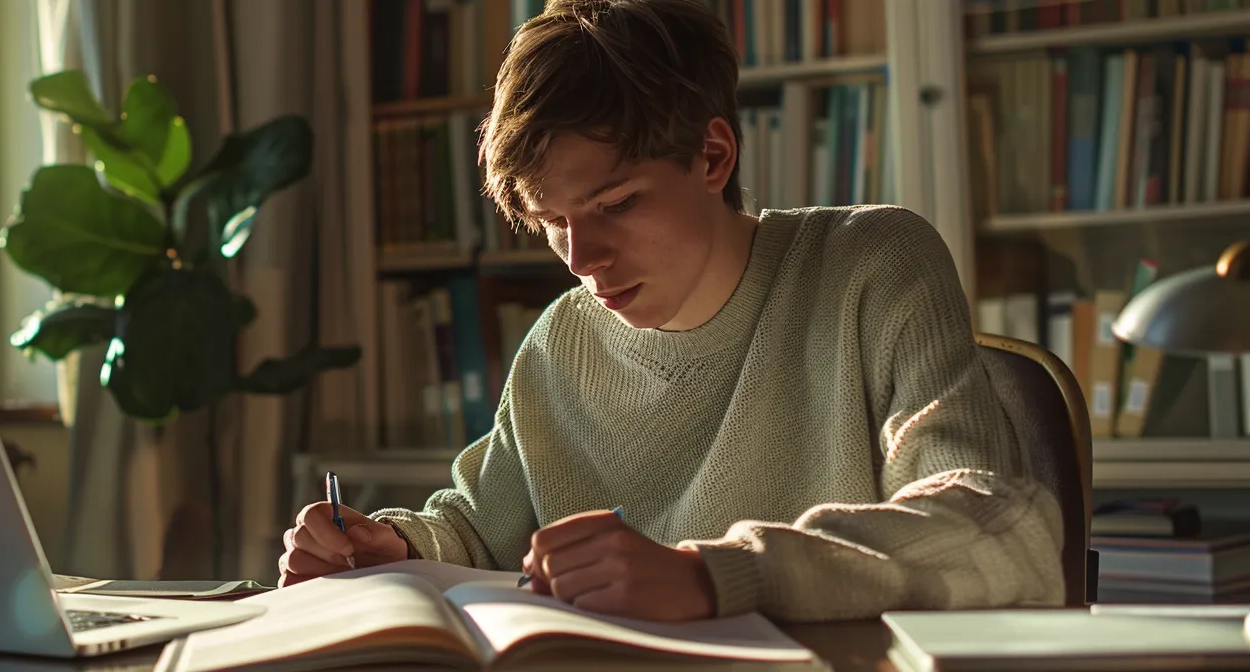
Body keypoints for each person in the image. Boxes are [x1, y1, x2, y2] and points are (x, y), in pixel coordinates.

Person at [278, 0, 1065, 623]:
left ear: (713, 157)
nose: (581, 260)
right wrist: (396, 544)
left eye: (615, 204)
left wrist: (715, 575)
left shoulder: (871, 265)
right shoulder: (561, 344)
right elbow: (477, 530)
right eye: (553, 222)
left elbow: (1000, 529)